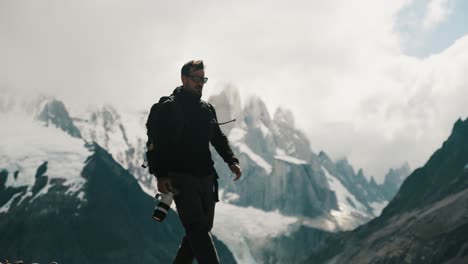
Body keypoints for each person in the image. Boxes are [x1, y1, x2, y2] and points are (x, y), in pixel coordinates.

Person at [148, 60, 242, 263]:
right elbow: (156, 145)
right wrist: (161, 174)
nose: (200, 83)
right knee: (197, 230)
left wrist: (231, 160)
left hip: (207, 179)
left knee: (199, 232)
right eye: (196, 78)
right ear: (183, 79)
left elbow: (217, 137)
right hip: (181, 178)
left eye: (203, 79)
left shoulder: (207, 109)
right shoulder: (167, 108)